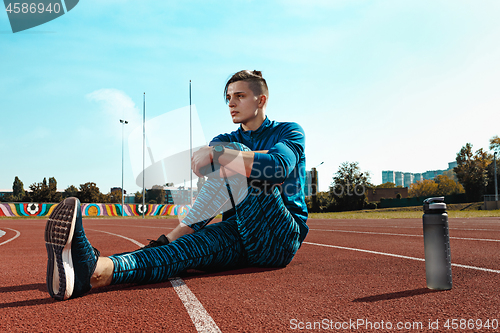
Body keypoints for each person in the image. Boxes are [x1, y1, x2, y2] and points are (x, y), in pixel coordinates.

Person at [44, 70, 308, 300]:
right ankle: (93, 271)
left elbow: (278, 166)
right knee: (184, 252)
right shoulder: (225, 137)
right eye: (228, 98)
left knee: (235, 153)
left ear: (260, 100)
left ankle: (175, 234)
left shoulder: (288, 131)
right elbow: (200, 165)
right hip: (240, 231)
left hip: (280, 238)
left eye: (239, 96)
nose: (231, 103)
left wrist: (219, 154)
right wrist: (216, 155)